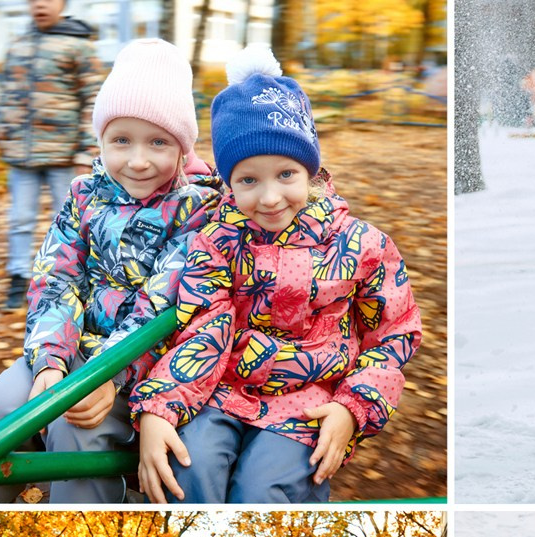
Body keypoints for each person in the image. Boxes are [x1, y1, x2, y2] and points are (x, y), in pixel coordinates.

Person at [130, 46, 422, 503]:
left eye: (286, 174)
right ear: (229, 182)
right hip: (222, 392)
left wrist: (352, 407)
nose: (269, 197)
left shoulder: (362, 244)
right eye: (248, 180)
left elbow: (393, 333)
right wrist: (160, 409)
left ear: (311, 170)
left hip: (310, 400)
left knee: (263, 490)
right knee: (189, 466)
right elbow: (203, 327)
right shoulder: (217, 242)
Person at [0, 37, 219, 503]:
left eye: (158, 142)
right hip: (68, 344)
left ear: (182, 148)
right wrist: (49, 361)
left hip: (134, 368)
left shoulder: (197, 210)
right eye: (121, 140)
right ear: (101, 139)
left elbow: (163, 303)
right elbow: (55, 276)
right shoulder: (84, 193)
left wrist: (108, 375)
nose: (138, 160)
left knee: (77, 432)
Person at [0, 0, 103, 311]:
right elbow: (6, 95)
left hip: (63, 155)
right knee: (20, 219)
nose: (40, 4)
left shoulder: (78, 47)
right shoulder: (19, 45)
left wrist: (86, 150)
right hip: (22, 155)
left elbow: (93, 99)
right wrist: (1, 130)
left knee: (70, 219)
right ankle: (17, 276)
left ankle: (72, 276)